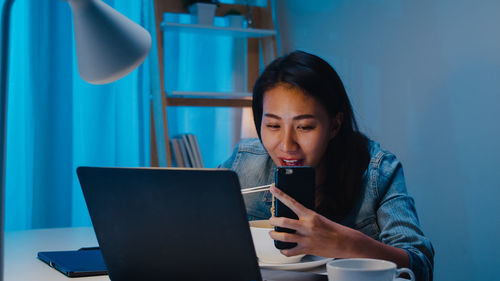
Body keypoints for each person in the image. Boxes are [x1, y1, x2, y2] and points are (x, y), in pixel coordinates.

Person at [219, 50, 434, 281]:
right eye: (273, 125)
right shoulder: (245, 161)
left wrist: (346, 243)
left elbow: (420, 267)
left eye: (305, 127)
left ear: (334, 125)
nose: (287, 145)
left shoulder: (377, 170)